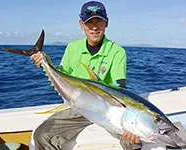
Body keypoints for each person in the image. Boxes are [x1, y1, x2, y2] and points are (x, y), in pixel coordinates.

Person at [30, 1, 141, 150]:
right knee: (41, 135)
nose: (94, 27)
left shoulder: (117, 52)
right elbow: (63, 77)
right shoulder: (72, 48)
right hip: (78, 106)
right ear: (81, 24)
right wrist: (46, 63)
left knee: (133, 141)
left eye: (99, 21)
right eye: (89, 22)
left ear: (106, 23)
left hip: (107, 111)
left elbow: (118, 89)